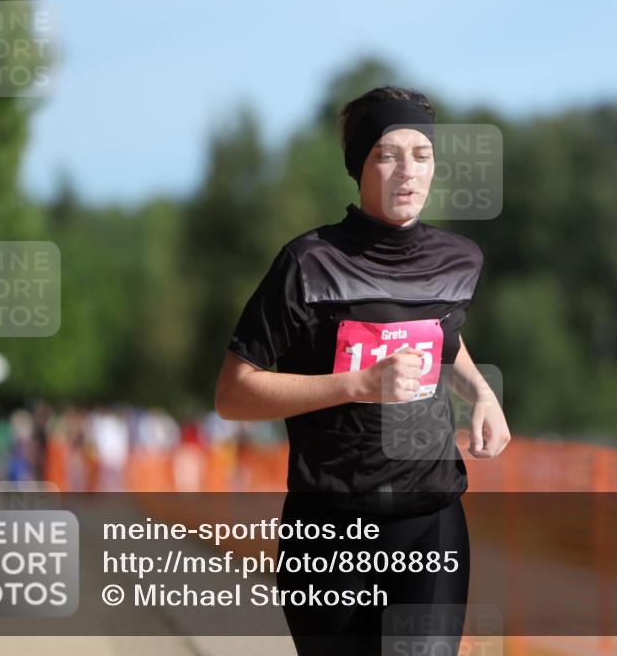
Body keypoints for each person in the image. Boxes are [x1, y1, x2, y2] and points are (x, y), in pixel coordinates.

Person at [214, 85, 510, 656]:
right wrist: (359, 384)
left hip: (430, 518)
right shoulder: (309, 263)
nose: (408, 171)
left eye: (422, 155)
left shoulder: (458, 260)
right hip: (329, 528)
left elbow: (443, 335)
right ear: (359, 166)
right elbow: (233, 392)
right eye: (388, 154)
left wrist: (481, 394)